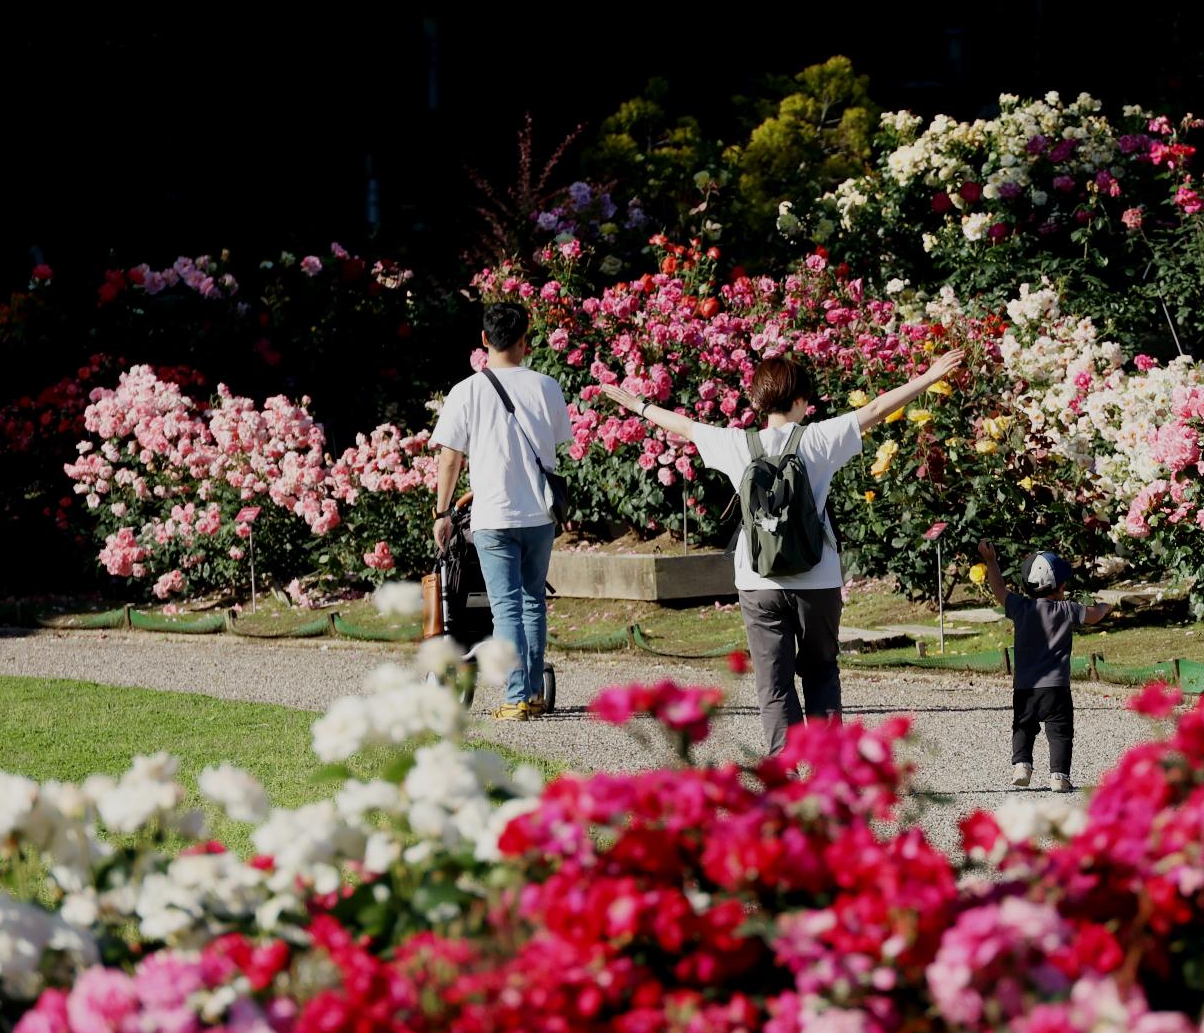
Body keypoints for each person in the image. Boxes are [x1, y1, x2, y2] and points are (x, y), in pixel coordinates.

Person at [598, 348, 966, 752]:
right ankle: (829, 769)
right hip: (818, 579)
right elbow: (877, 408)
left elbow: (685, 427)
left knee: (773, 682)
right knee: (822, 671)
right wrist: (929, 376)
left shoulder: (735, 443)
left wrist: (638, 404)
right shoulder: (819, 438)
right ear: (798, 400)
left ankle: (785, 768)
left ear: (758, 401)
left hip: (758, 581)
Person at [431, 302, 573, 720]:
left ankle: (515, 697)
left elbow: (450, 459)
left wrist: (442, 513)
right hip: (539, 517)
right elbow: (557, 446)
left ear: (483, 340)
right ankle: (530, 693)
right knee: (533, 604)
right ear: (525, 340)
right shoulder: (547, 386)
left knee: (506, 607)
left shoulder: (466, 392)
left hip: (492, 516)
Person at [976, 541, 1112, 792]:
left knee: (1023, 726)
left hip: (1025, 687)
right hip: (1057, 689)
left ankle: (1022, 765)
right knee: (1060, 732)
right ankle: (1059, 776)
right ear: (1061, 586)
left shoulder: (1020, 607)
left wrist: (991, 560)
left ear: (1027, 586)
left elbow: (998, 588)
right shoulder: (1066, 609)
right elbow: (1093, 614)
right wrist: (1105, 607)